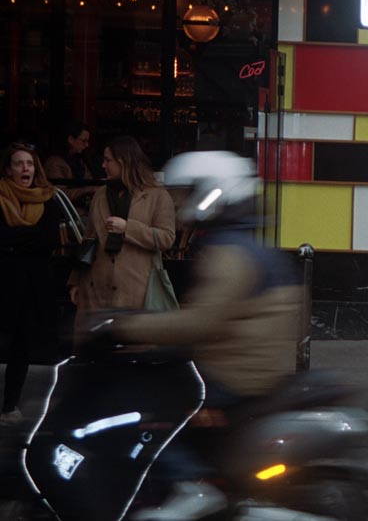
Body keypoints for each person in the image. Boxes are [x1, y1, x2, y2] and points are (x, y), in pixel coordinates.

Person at [104, 151, 301, 521]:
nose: (179, 204)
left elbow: (202, 322)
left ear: (211, 192)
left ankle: (189, 482)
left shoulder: (229, 251)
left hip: (233, 373)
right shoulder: (242, 243)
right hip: (245, 364)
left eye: (185, 194)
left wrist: (124, 325)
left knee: (149, 408)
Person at [68, 136, 176, 319]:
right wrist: (76, 281)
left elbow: (167, 238)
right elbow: (88, 239)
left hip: (135, 290)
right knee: (96, 336)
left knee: (131, 335)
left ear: (124, 162)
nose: (103, 165)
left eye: (108, 160)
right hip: (96, 288)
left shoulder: (157, 195)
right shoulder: (100, 195)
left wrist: (128, 228)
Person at [0, 143, 60, 425]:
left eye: (30, 163)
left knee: (21, 347)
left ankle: (10, 405)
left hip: (31, 286)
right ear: (8, 170)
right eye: (19, 163)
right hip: (4, 281)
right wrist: (28, 238)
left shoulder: (48, 200)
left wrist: (13, 241)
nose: (25, 168)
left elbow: (48, 240)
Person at [43, 121, 98, 209]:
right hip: (65, 213)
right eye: (83, 141)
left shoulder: (80, 161)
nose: (86, 145)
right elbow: (59, 194)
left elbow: (89, 181)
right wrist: (89, 189)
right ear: (71, 139)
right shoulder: (54, 163)